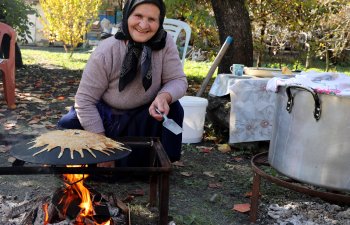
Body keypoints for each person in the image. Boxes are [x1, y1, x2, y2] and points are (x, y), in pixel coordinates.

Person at [57, 0, 188, 167]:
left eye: (151, 19)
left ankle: (159, 164)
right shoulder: (106, 51)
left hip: (144, 114)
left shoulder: (164, 43)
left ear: (160, 22)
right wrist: (102, 146)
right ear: (127, 16)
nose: (143, 25)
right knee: (68, 125)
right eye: (138, 16)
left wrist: (164, 96)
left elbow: (177, 80)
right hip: (107, 116)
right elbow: (84, 101)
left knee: (174, 109)